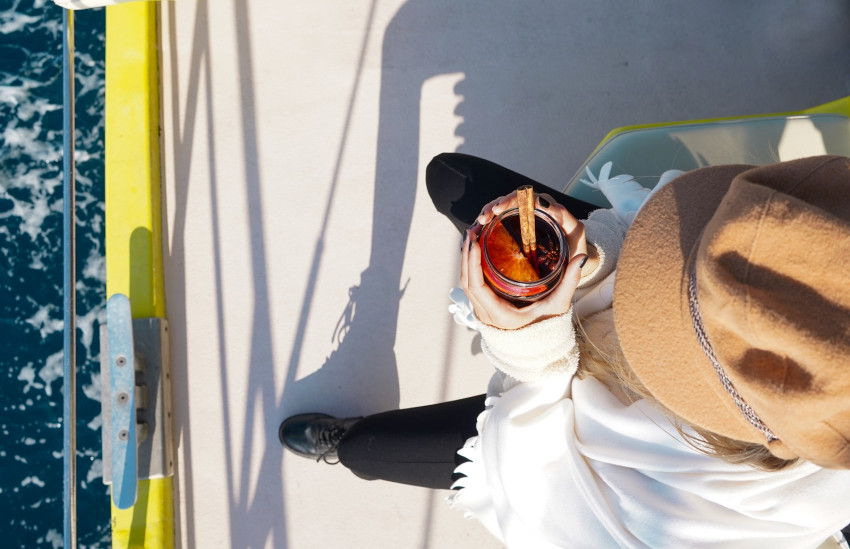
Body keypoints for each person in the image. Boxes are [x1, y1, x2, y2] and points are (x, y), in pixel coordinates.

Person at [280, 152, 850, 548]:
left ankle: (346, 442)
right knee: (452, 180)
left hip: (557, 458)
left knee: (372, 451)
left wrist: (527, 340)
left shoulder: (694, 524)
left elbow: (556, 481)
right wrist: (594, 262)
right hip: (594, 302)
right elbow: (656, 234)